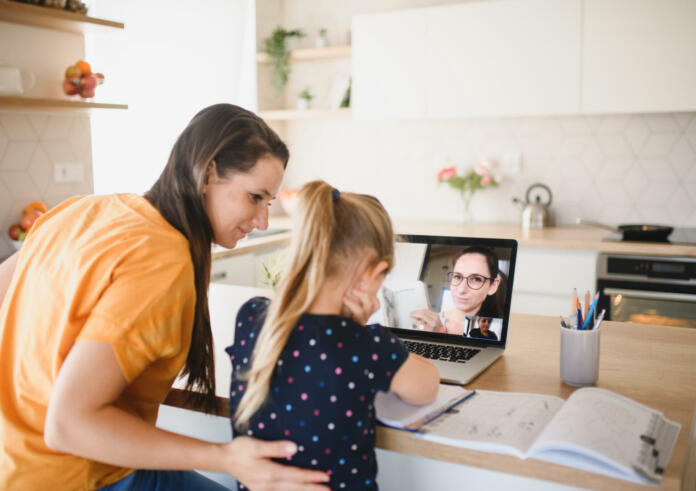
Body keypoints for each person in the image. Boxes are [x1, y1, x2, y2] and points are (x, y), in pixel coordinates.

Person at [0, 104, 331, 490]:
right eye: (255, 197)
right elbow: (69, 424)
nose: (261, 221)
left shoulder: (83, 210)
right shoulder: (163, 260)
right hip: (77, 477)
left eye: (269, 203)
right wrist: (226, 457)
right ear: (209, 173)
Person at [226, 180, 440, 490]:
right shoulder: (368, 344)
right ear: (368, 275)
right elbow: (426, 388)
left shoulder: (251, 317)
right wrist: (363, 329)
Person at [410, 246, 502, 336]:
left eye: (476, 279)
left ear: (492, 286)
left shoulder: (495, 330)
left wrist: (441, 333)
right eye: (457, 277)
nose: (462, 290)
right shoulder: (429, 322)